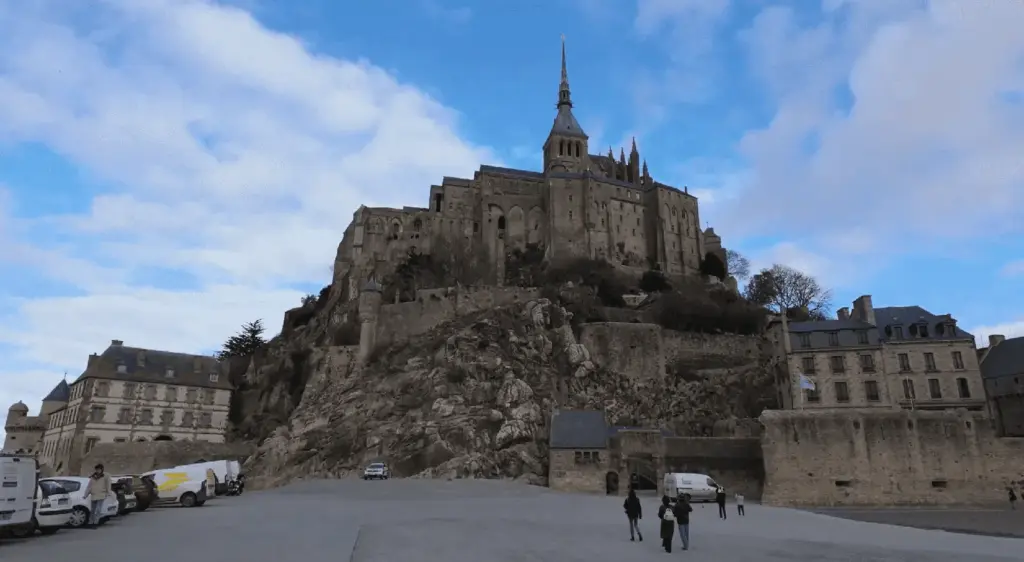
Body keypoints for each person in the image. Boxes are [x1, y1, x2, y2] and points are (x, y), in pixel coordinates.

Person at [84, 463, 112, 529]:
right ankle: (90, 522)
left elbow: (108, 484)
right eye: (97, 469)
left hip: (101, 494)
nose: (98, 471)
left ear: (102, 469)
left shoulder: (106, 476)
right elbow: (89, 486)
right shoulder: (93, 476)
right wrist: (85, 495)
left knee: (98, 509)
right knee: (92, 510)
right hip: (94, 495)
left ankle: (96, 522)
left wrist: (108, 492)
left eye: (99, 469)